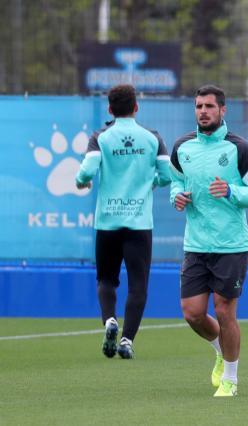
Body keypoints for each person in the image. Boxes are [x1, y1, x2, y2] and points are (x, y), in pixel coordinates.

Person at [170, 84, 248, 397]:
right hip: (195, 244)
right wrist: (177, 196)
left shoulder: (239, 148)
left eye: (209, 106)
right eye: (199, 106)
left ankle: (230, 379)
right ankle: (219, 351)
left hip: (231, 245)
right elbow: (175, 182)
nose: (203, 112)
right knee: (192, 313)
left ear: (223, 110)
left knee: (225, 312)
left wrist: (230, 191)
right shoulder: (182, 147)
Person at [75, 84, 171, 359]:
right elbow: (166, 175)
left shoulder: (101, 137)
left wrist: (81, 181)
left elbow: (87, 171)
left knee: (106, 279)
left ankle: (109, 321)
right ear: (136, 107)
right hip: (139, 224)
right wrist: (150, 182)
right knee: (138, 285)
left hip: (108, 223)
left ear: (109, 109)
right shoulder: (152, 137)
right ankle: (127, 340)